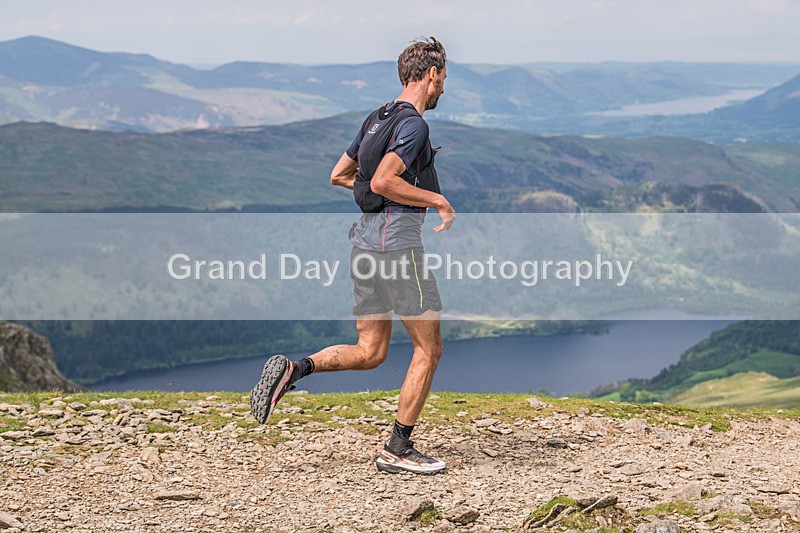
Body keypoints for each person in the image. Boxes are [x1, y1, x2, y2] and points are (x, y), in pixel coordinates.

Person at [250, 37, 456, 475]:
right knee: (429, 348)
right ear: (430, 75)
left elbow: (340, 175)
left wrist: (381, 190)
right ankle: (398, 448)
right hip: (397, 247)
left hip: (364, 246)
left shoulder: (377, 118)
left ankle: (294, 369)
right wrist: (435, 199)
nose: (443, 87)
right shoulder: (414, 125)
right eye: (443, 78)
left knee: (371, 350)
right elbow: (381, 181)